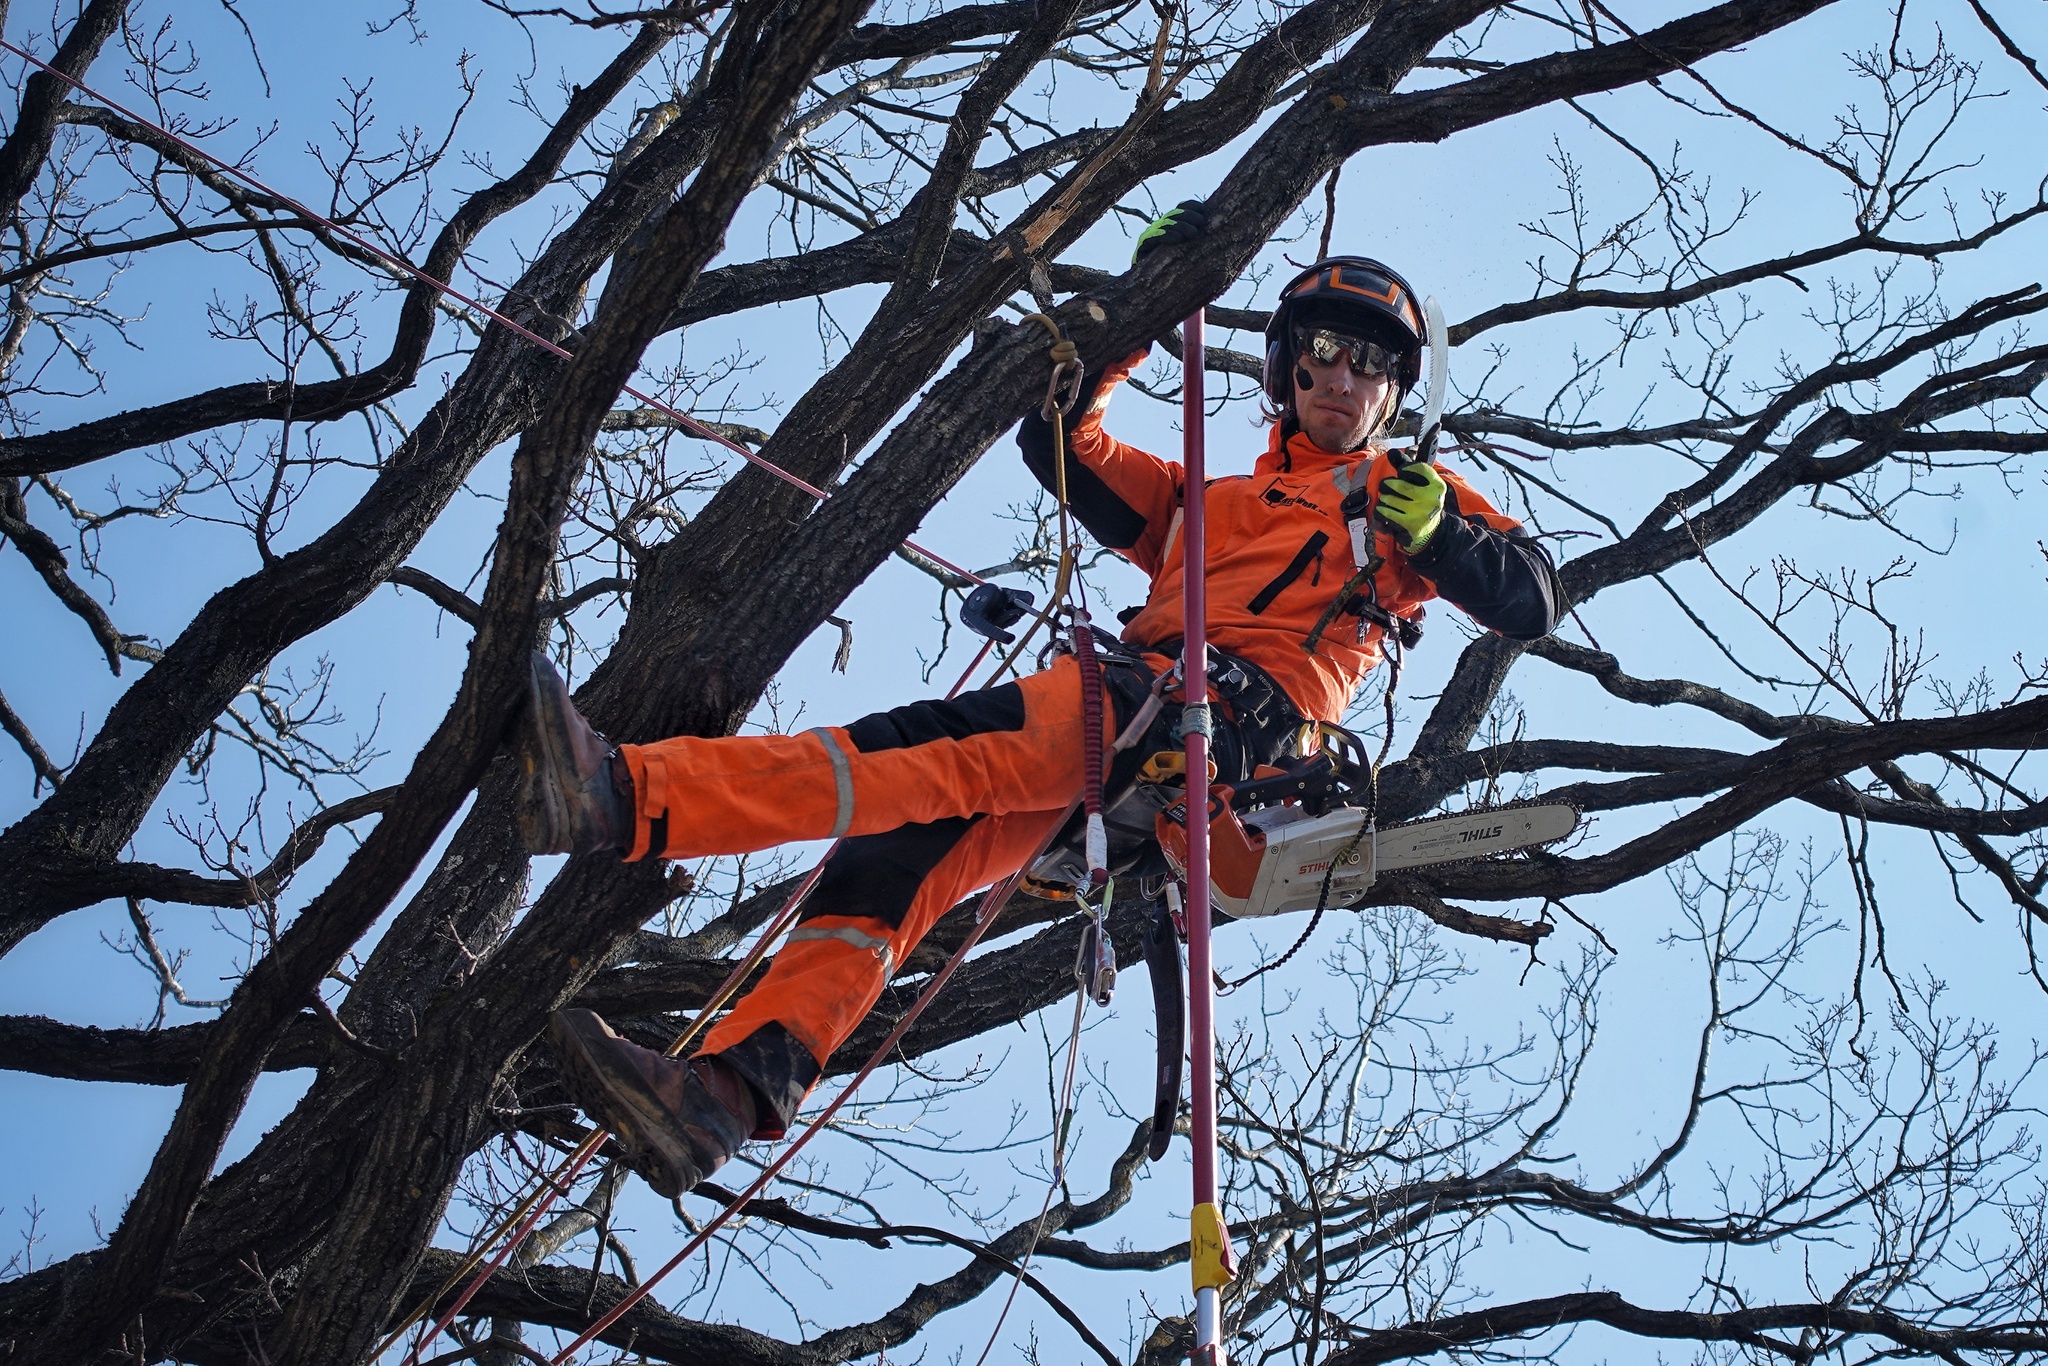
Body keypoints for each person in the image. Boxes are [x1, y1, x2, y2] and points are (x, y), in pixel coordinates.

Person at [524, 209, 1563, 1201]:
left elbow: (1531, 594)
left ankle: (624, 794)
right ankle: (724, 1094)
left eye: (1371, 362)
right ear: (1288, 369)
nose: (1344, 376)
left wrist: (1440, 539)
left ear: (1393, 390)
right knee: (891, 852)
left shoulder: (1399, 497)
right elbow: (1064, 440)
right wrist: (1144, 306)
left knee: (915, 752)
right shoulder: (1205, 503)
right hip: (1130, 745)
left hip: (1204, 721)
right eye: (1326, 351)